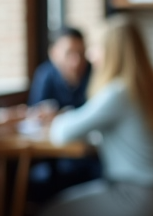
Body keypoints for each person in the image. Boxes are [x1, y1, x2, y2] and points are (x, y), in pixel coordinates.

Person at [34, 15, 153, 216]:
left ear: (111, 51)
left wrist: (56, 116)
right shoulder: (148, 88)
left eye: (96, 47)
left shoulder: (117, 92)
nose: (90, 55)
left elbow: (62, 132)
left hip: (137, 196)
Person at [26, 26, 100, 196]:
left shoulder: (95, 73)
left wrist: (59, 115)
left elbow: (96, 118)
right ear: (54, 53)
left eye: (81, 53)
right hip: (54, 155)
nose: (76, 61)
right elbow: (36, 115)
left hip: (90, 155)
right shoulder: (45, 74)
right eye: (69, 53)